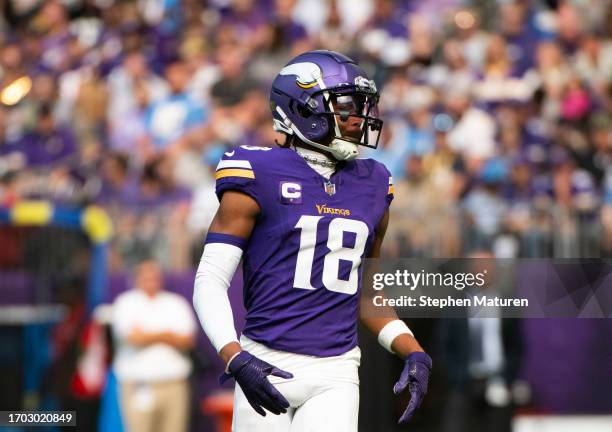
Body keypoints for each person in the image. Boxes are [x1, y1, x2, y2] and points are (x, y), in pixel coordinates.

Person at [193, 50, 432, 431]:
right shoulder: (258, 171)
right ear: (302, 108)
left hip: (337, 370)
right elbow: (210, 278)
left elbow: (366, 292)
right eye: (347, 106)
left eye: (363, 107)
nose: (359, 118)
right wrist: (234, 356)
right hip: (265, 359)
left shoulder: (373, 182)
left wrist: (414, 349)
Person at [112, 259, 196, 432]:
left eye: (155, 276)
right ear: (137, 279)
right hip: (140, 385)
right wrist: (167, 334)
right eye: (146, 276)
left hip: (174, 384)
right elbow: (133, 338)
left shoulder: (176, 303)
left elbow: (187, 340)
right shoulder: (126, 303)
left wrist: (148, 335)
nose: (151, 281)